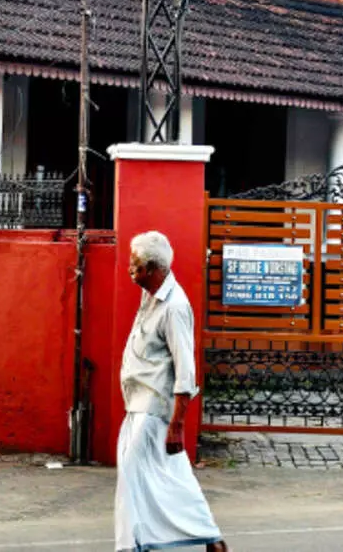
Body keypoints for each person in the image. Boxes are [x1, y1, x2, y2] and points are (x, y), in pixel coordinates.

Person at [115, 231, 227, 552]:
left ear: (153, 269)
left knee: (133, 474)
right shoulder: (150, 296)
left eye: (135, 265)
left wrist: (177, 425)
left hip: (154, 408)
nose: (129, 269)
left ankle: (131, 545)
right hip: (137, 405)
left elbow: (186, 371)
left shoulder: (175, 307)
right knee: (171, 477)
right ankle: (212, 539)